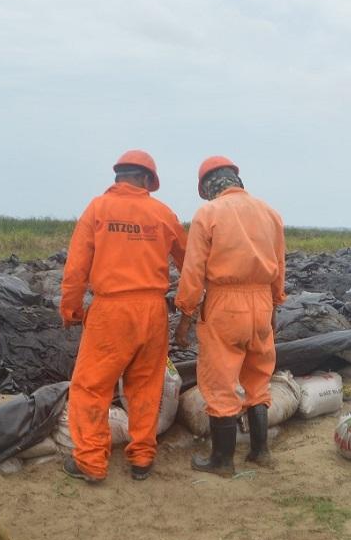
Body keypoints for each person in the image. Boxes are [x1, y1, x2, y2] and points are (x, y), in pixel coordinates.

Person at [60, 150, 187, 482]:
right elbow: (190, 261)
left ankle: (90, 461)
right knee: (146, 386)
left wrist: (71, 308)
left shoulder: (98, 209)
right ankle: (142, 457)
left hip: (110, 310)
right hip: (153, 311)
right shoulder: (163, 214)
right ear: (147, 180)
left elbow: (76, 268)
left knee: (91, 387)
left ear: (119, 177)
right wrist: (187, 306)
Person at [174, 156, 286, 477]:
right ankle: (260, 452)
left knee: (220, 382)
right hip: (262, 303)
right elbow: (279, 267)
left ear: (208, 187)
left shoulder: (208, 213)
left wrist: (185, 319)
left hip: (225, 306)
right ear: (236, 179)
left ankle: (223, 460)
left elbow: (193, 273)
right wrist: (274, 307)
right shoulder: (270, 213)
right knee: (258, 377)